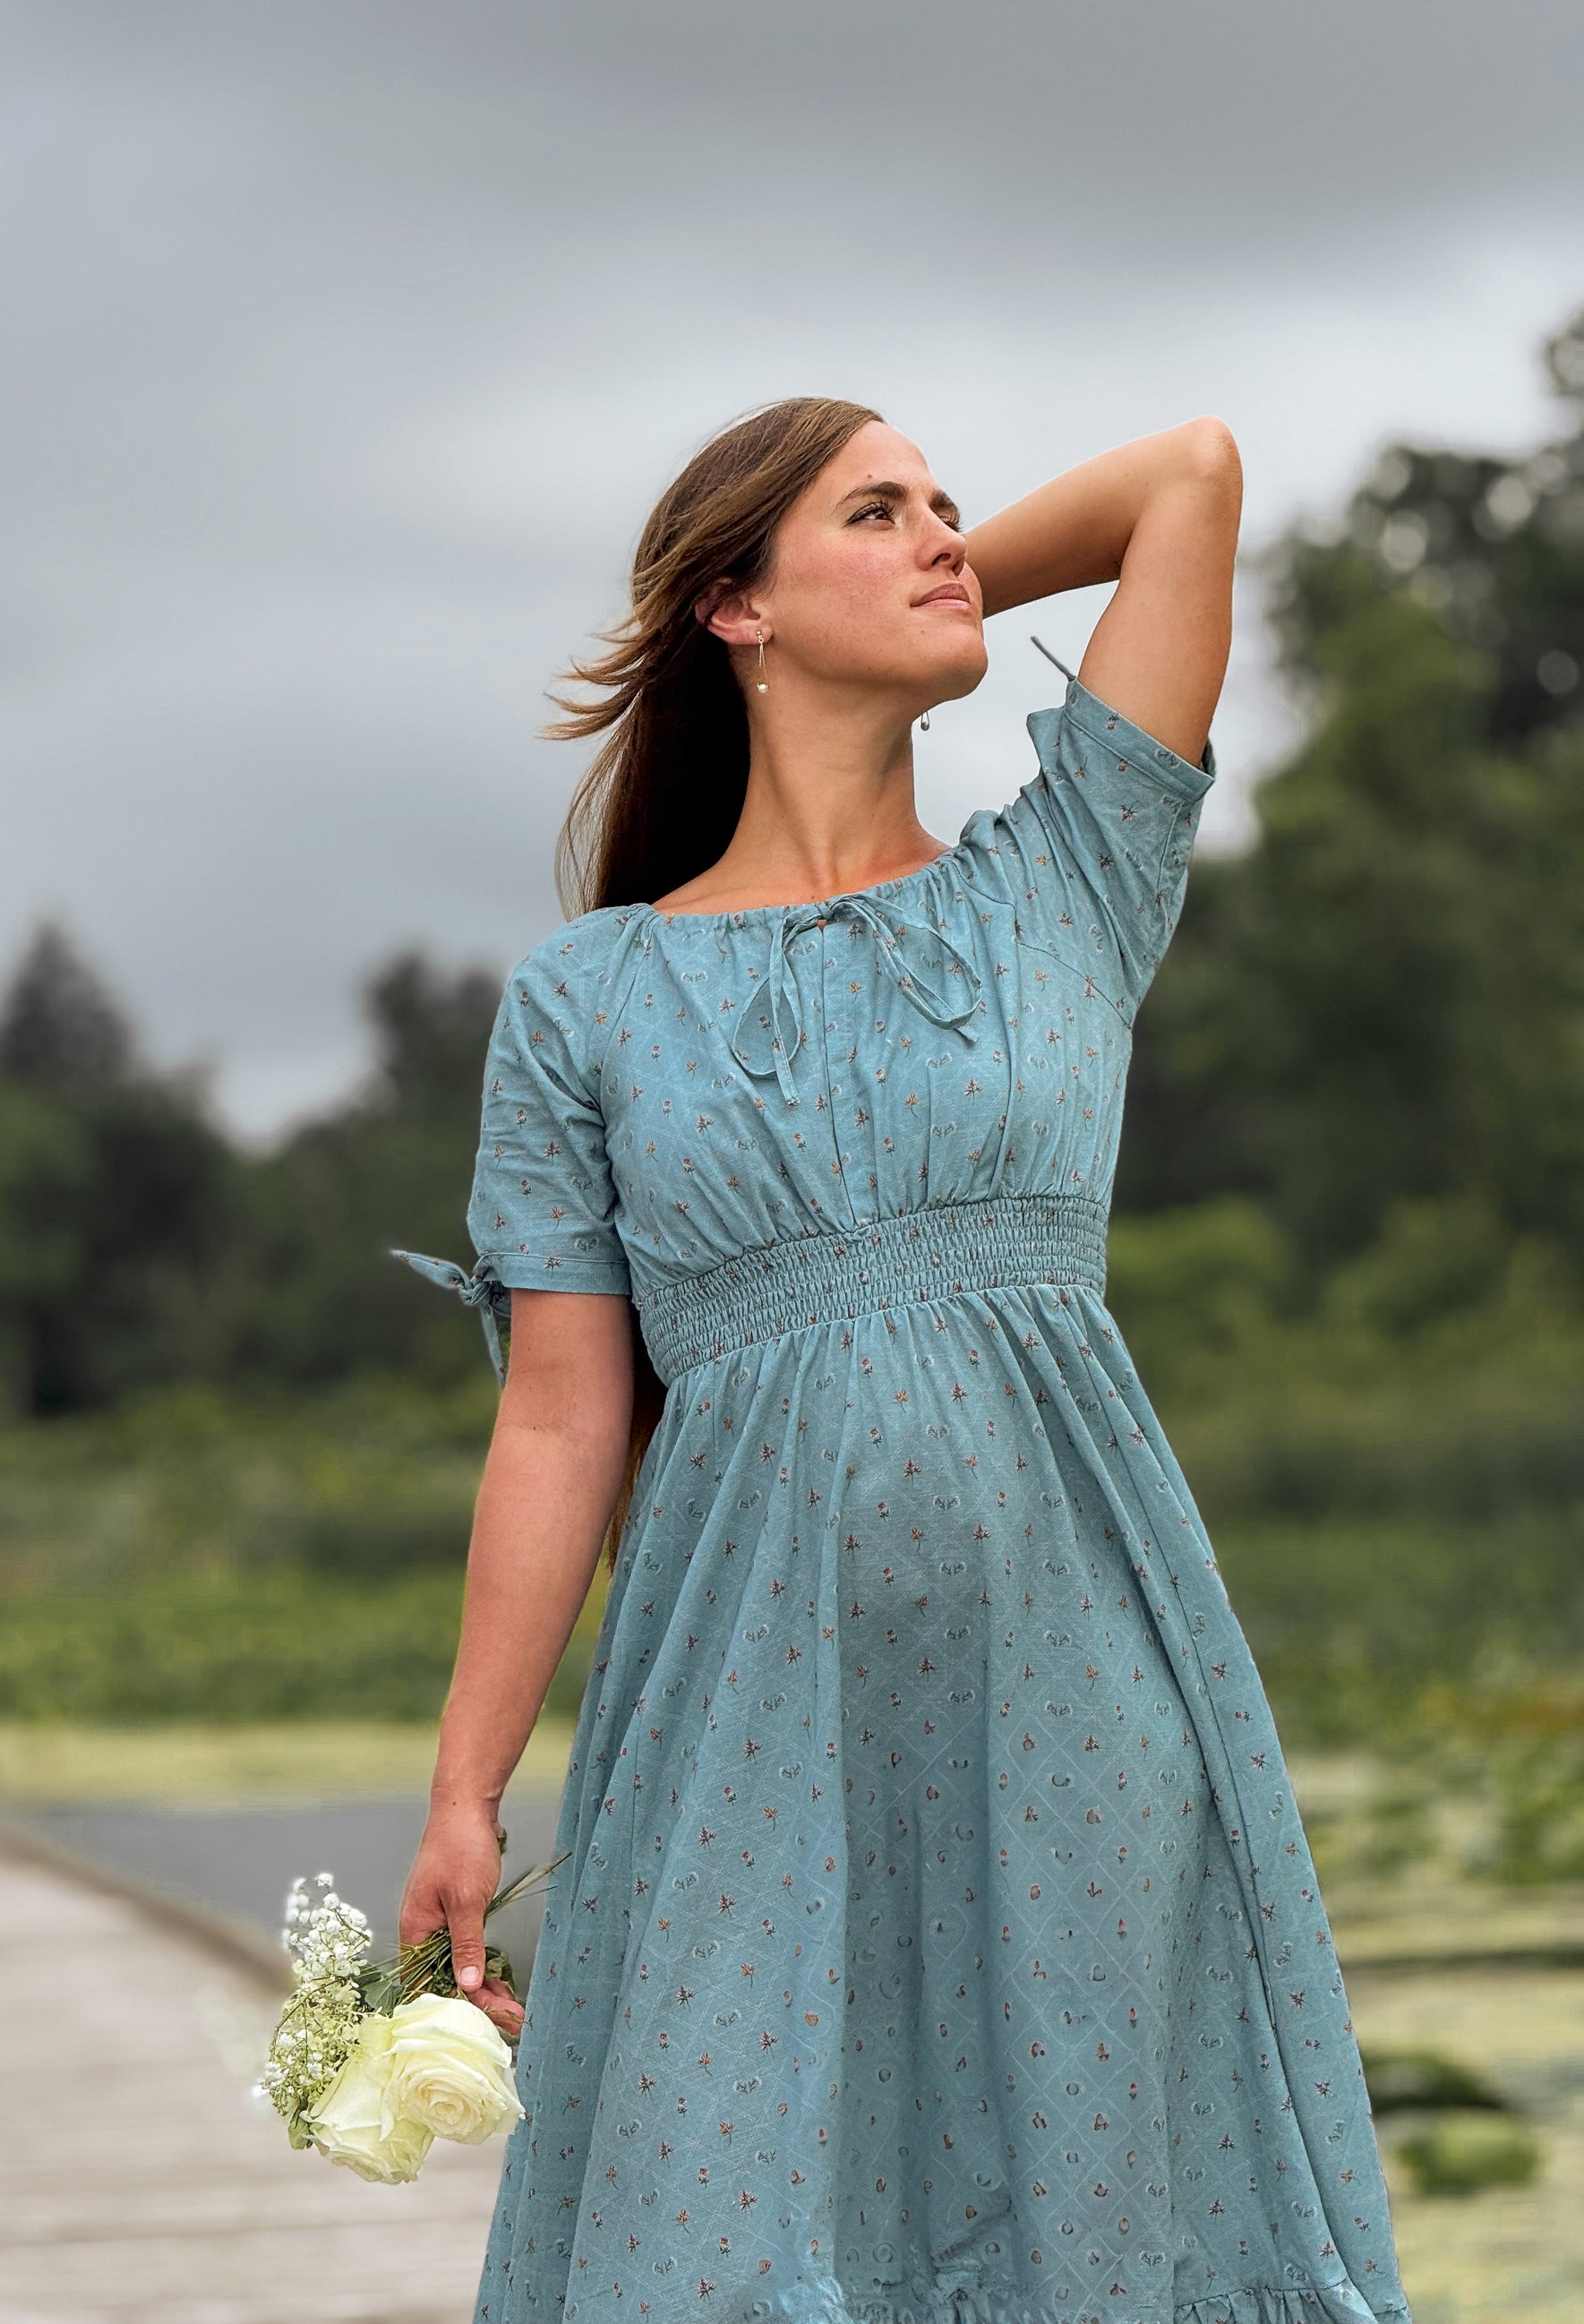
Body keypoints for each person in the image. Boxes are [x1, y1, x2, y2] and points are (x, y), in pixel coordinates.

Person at [397, 399, 1410, 2324]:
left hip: (1085, 1682)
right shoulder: (588, 998)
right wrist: (467, 1783)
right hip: (732, 1706)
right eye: (881, 509)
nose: (944, 533)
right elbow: (558, 1410)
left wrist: (917, 592)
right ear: (731, 607)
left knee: (1100, 2234)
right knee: (712, 2227)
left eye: (951, 508)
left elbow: (1185, 474)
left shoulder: (1062, 887)